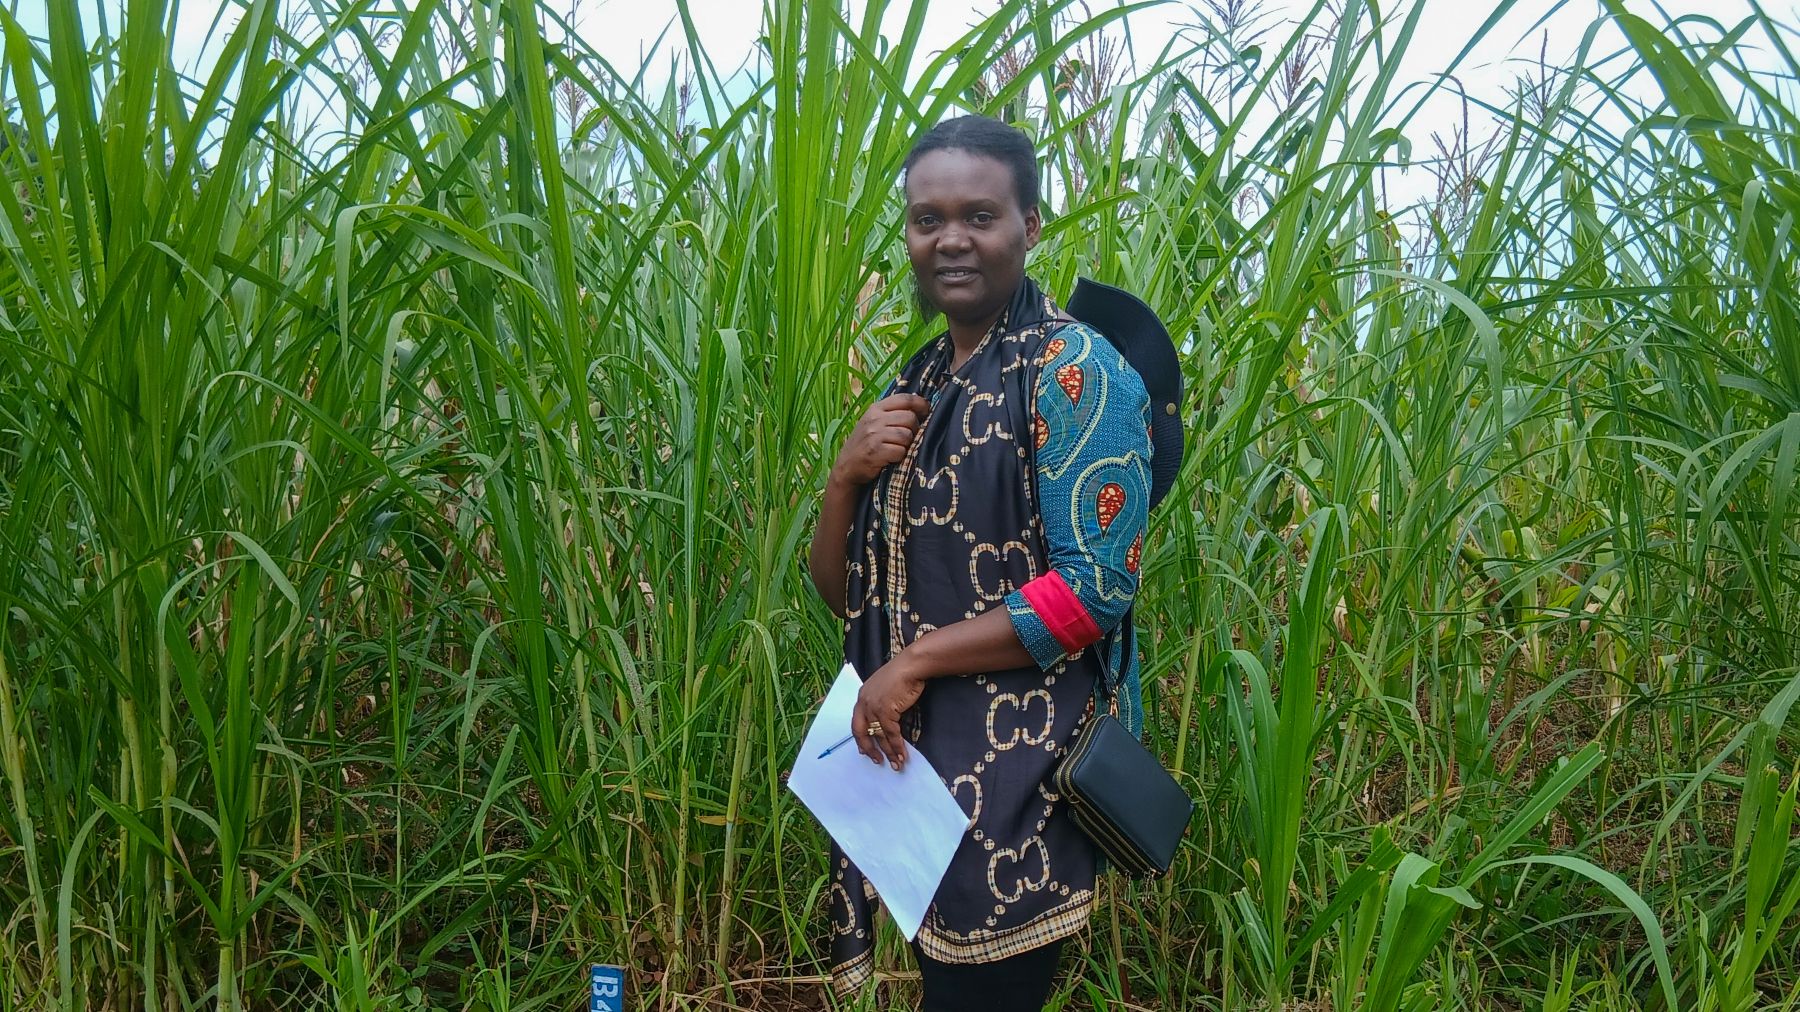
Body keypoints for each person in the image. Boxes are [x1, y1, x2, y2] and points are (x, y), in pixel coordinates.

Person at [807, 114, 1154, 1012]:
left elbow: (1094, 593)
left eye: (980, 216)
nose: (950, 239)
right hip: (912, 771)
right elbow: (851, 598)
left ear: (1030, 226)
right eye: (928, 219)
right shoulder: (920, 382)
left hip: (1022, 779)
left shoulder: (1076, 370)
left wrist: (914, 663)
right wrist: (845, 478)